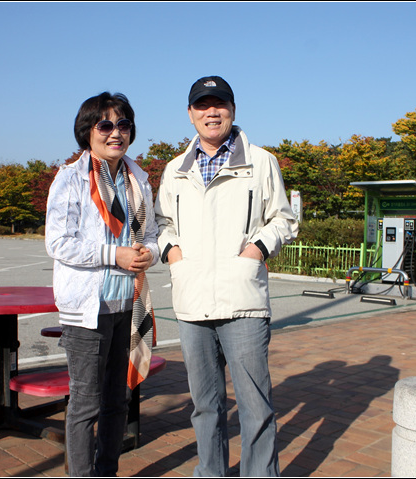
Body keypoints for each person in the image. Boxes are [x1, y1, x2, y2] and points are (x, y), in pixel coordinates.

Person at [155, 75, 299, 477]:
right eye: (202, 105)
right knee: (205, 406)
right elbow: (162, 223)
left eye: (219, 104)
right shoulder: (175, 170)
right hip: (192, 300)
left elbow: (284, 219)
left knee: (255, 406)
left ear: (233, 110)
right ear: (190, 114)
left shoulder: (261, 162)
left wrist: (256, 250)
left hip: (243, 300)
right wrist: (174, 255)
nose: (211, 112)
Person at [45, 92, 159, 476]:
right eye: (105, 125)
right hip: (87, 310)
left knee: (117, 401)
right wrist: (115, 255)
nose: (116, 133)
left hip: (129, 304)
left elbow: (152, 235)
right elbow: (58, 243)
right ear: (88, 132)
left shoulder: (137, 179)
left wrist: (148, 254)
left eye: (123, 124)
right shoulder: (70, 178)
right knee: (85, 403)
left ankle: (107, 470)